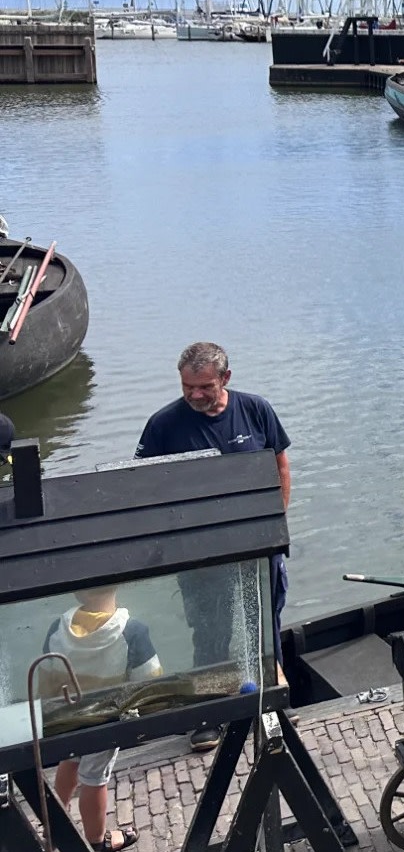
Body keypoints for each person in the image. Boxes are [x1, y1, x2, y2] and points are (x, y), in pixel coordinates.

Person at [136, 341, 291, 752]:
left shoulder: (256, 410)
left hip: (257, 548)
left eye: (204, 386)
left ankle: (270, 705)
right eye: (188, 386)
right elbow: (142, 488)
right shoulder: (163, 425)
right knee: (208, 633)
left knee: (265, 624)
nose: (194, 395)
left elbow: (280, 466)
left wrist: (276, 525)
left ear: (225, 378)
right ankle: (209, 714)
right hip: (200, 557)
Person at [38, 585, 157, 851]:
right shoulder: (132, 631)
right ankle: (96, 840)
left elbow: (45, 679)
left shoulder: (57, 627)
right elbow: (151, 682)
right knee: (94, 776)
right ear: (119, 583)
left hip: (67, 717)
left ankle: (55, 823)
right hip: (105, 721)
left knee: (69, 760)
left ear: (77, 593)